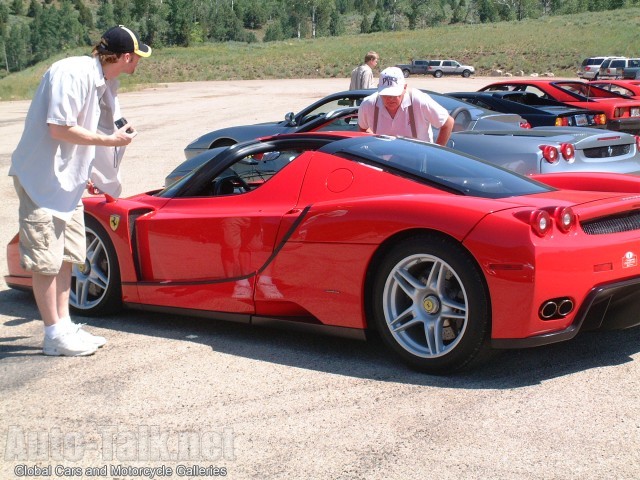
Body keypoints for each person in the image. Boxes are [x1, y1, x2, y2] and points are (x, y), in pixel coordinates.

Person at [8, 25, 151, 356]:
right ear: (127, 56)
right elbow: (59, 129)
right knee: (47, 258)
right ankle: (52, 334)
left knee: (68, 255)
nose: (138, 62)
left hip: (67, 182)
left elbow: (85, 129)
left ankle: (65, 325)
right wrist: (111, 140)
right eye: (137, 56)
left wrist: (90, 171)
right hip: (42, 180)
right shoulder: (71, 73)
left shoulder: (103, 81)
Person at [358, 66, 454, 146]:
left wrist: (436, 154)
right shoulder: (368, 104)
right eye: (386, 95)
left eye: (395, 95)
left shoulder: (419, 100)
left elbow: (447, 122)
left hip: (417, 160)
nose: (390, 99)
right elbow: (362, 130)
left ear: (404, 88)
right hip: (382, 161)